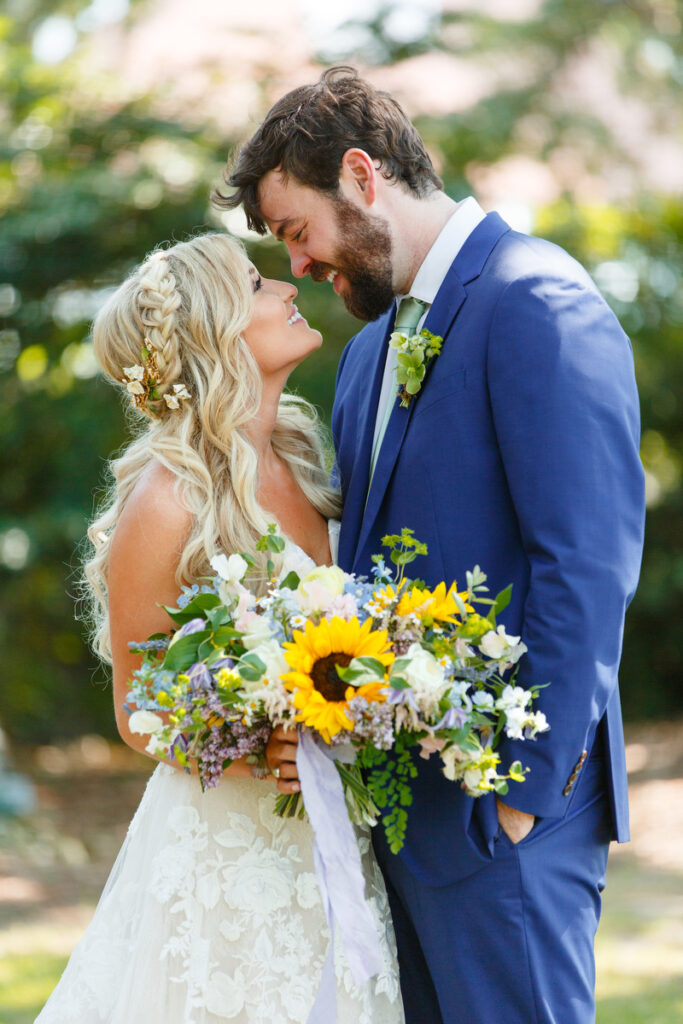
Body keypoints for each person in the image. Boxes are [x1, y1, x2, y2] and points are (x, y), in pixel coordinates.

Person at [217, 66, 646, 1024]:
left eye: (296, 232)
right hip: (399, 814)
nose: (298, 268)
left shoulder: (537, 299)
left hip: (508, 817)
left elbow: (586, 565)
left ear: (362, 177)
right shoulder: (368, 350)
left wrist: (523, 799)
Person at [35, 233, 403, 1024]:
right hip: (230, 854)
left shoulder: (309, 463)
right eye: (255, 282)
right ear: (216, 328)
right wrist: (255, 743)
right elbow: (138, 710)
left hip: (333, 836)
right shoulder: (170, 500)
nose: (285, 285)